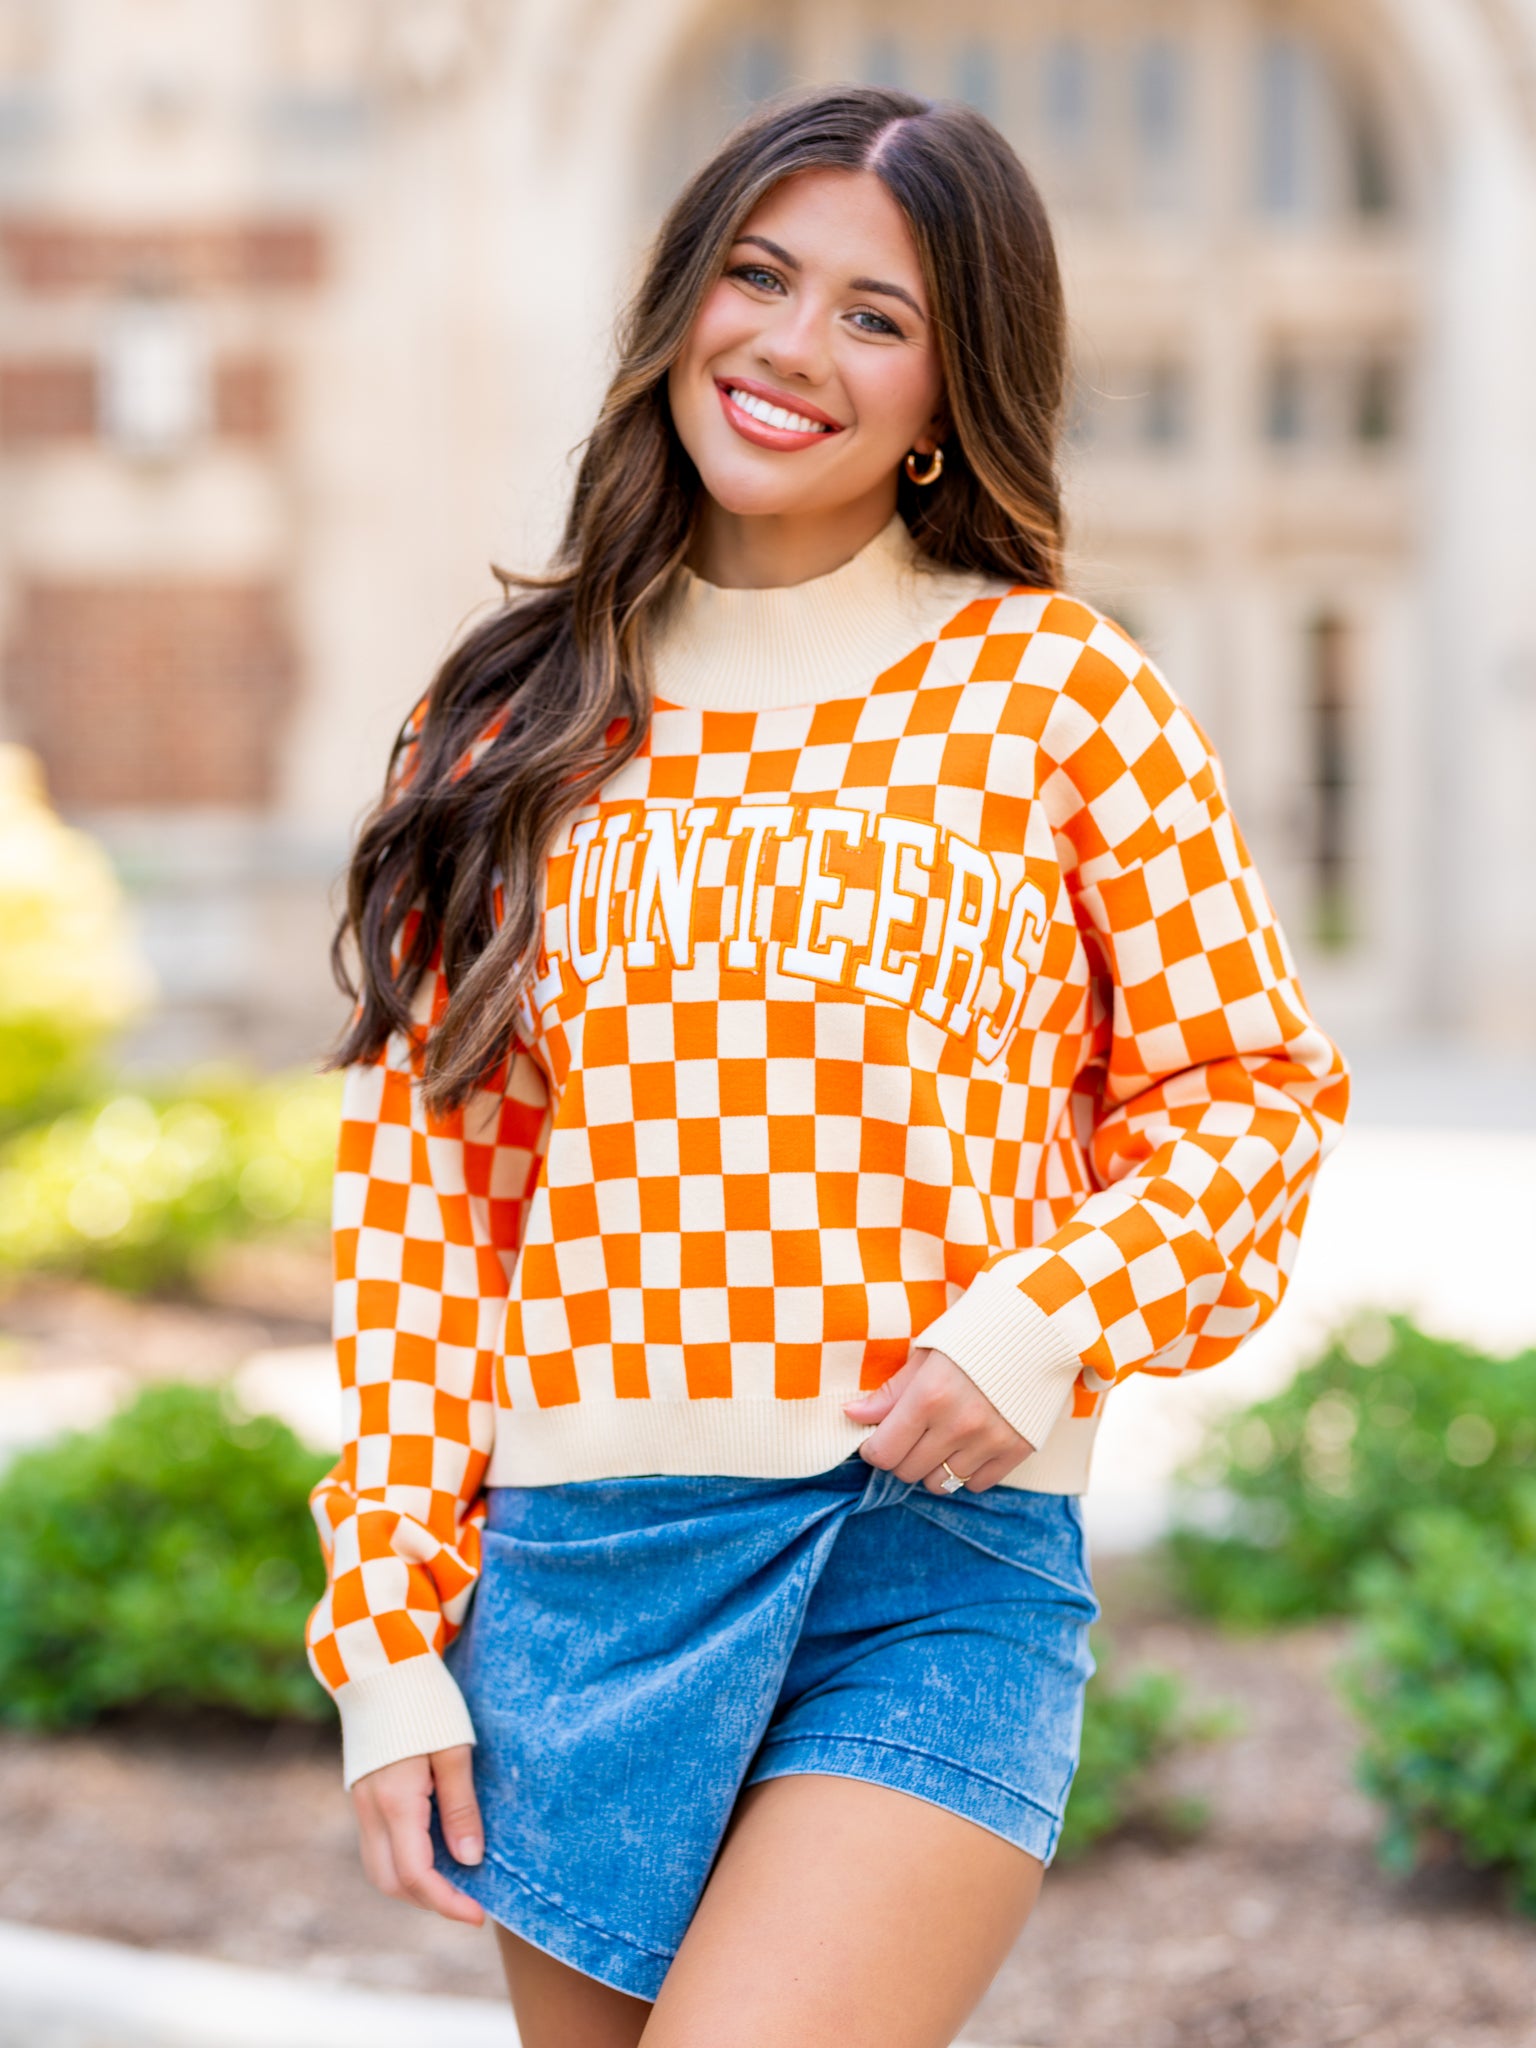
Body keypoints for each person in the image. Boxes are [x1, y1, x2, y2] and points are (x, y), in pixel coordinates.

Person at [305, 82, 1348, 2048]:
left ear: (952, 385)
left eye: (879, 313)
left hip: (923, 1562)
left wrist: (1038, 1321)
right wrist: (387, 1640)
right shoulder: (510, 722)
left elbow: (1252, 1092)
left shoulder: (1059, 690)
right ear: (680, 300)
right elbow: (425, 1211)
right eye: (761, 276)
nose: (795, 345)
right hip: (576, 1581)